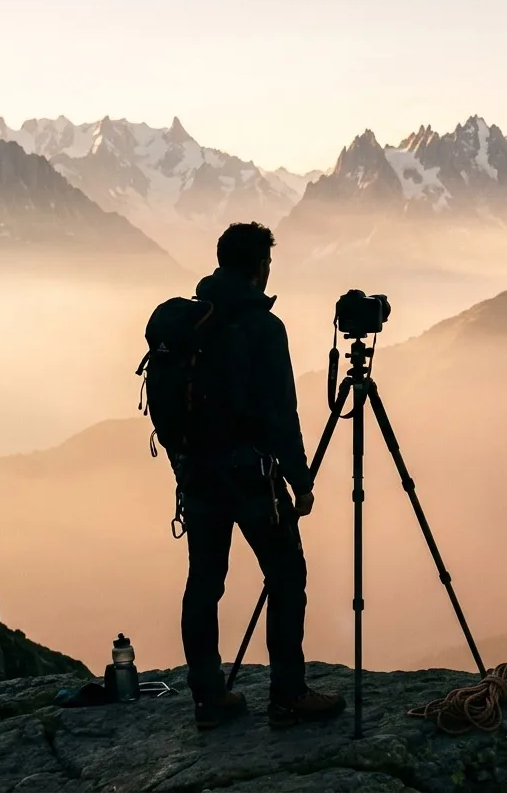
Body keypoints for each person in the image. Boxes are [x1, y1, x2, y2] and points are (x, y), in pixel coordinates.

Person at [175, 221, 344, 730]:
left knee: (204, 581)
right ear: (260, 268)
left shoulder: (191, 321)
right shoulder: (264, 328)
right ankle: (288, 694)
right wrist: (301, 480)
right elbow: (280, 414)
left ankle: (208, 697)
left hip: (196, 475)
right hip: (250, 476)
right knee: (287, 574)